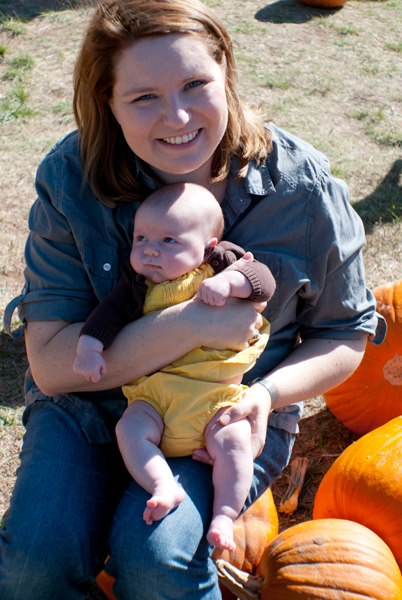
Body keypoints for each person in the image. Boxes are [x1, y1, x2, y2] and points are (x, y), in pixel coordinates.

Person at [0, 0, 384, 598]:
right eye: (143, 97)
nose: (177, 116)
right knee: (33, 565)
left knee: (159, 557)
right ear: (107, 101)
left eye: (195, 84)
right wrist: (194, 323)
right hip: (87, 407)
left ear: (225, 70)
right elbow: (53, 367)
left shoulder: (301, 188)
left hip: (222, 414)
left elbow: (345, 333)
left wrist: (264, 396)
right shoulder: (71, 178)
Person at [73, 181, 276, 551]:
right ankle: (163, 484)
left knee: (235, 443)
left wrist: (230, 282)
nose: (150, 250)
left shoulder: (220, 263)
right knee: (129, 429)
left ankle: (225, 514)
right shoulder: (136, 286)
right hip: (156, 400)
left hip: (216, 399)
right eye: (141, 239)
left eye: (169, 240)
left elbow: (262, 280)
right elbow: (106, 316)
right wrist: (89, 346)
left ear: (208, 247)